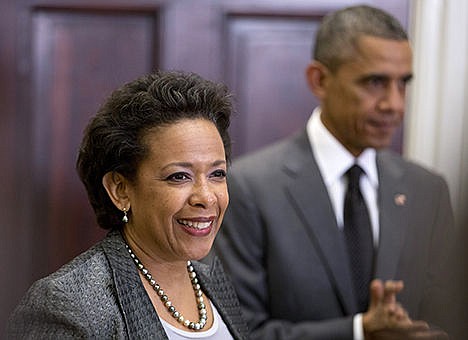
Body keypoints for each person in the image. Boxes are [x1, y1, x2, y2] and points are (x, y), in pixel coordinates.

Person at [213, 5, 455, 340]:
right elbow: (237, 330)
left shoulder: (427, 190)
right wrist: (357, 332)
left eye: (403, 84)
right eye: (375, 82)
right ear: (320, 80)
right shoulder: (249, 187)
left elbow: (448, 318)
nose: (395, 104)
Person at [7, 70, 249, 339]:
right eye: (179, 176)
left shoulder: (215, 282)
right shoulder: (68, 305)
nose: (206, 197)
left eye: (217, 174)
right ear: (120, 190)